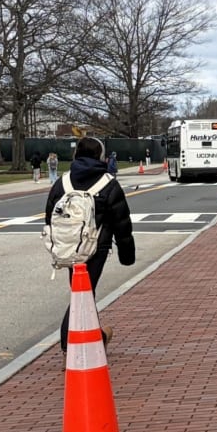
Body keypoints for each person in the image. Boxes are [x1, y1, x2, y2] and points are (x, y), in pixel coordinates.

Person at [45, 137, 136, 351]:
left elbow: (50, 215)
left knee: (82, 291)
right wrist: (127, 254)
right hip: (96, 247)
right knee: (84, 293)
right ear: (100, 156)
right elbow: (122, 222)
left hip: (68, 246)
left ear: (77, 154)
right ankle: (70, 343)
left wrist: (56, 241)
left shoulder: (63, 182)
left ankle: (94, 340)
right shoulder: (108, 183)